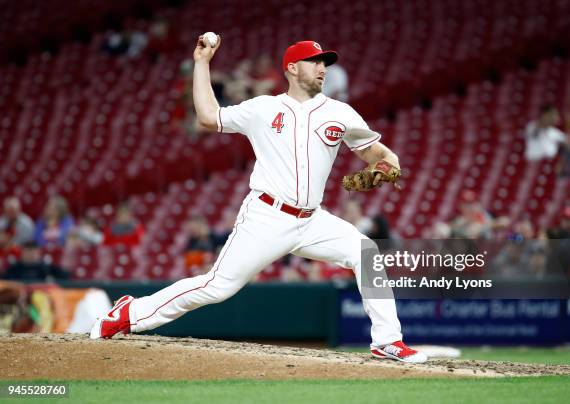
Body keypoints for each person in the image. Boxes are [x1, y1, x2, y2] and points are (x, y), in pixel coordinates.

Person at [90, 35, 427, 364]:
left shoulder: (341, 113)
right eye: (315, 62)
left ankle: (388, 342)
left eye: (325, 63)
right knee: (217, 287)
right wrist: (202, 64)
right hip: (267, 216)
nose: (322, 68)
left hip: (312, 220)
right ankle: (130, 313)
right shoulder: (263, 108)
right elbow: (209, 116)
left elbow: (377, 152)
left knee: (365, 252)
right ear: (292, 69)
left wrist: (387, 163)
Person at [2, 242, 70, 281]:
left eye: (33, 252)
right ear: (22, 253)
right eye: (28, 251)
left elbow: (66, 276)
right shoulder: (15, 268)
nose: (30, 255)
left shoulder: (46, 267)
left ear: (38, 253)